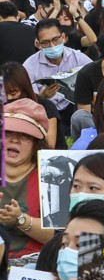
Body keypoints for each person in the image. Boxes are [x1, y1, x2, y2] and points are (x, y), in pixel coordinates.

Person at [0, 98, 54, 256]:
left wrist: (20, 219)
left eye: (24, 135)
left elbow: (57, 236)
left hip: (33, 269)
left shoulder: (50, 177)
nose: (14, 140)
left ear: (36, 144)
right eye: (8, 132)